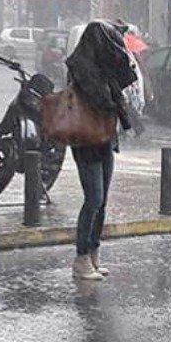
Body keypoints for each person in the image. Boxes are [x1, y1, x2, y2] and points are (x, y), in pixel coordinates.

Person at [65, 20, 138, 281]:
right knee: (93, 199)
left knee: (103, 200)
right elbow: (101, 99)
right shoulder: (82, 70)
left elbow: (121, 85)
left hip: (105, 138)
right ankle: (81, 257)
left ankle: (93, 252)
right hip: (87, 141)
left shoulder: (103, 69)